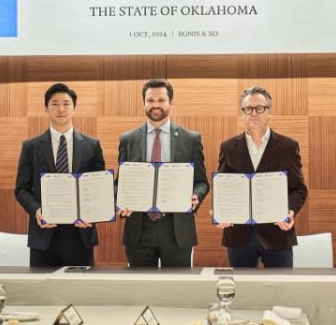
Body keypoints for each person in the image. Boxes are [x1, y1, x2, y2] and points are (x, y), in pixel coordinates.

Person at [117, 79, 209, 267]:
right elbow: (120, 182)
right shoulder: (128, 139)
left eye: (161, 100)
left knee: (177, 292)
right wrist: (119, 200)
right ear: (143, 103)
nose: (156, 105)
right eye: (150, 100)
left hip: (177, 228)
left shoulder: (190, 139)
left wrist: (195, 196)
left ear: (170, 103)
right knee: (141, 291)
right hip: (139, 228)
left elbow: (201, 182)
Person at [15, 83, 105, 267]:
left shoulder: (91, 145)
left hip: (80, 234)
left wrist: (92, 213)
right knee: (42, 293)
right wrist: (36, 211)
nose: (61, 109)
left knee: (80, 292)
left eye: (66, 103)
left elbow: (99, 188)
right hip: (44, 235)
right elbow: (21, 189)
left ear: (74, 108)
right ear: (46, 109)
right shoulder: (31, 147)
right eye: (55, 104)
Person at [216, 86, 307, 267]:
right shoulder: (228, 147)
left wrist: (289, 211)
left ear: (269, 112)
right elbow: (223, 188)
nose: (253, 113)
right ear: (242, 113)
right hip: (238, 235)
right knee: (241, 292)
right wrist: (221, 211)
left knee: (280, 291)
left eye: (260, 108)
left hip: (277, 234)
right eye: (248, 109)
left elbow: (298, 188)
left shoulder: (288, 146)